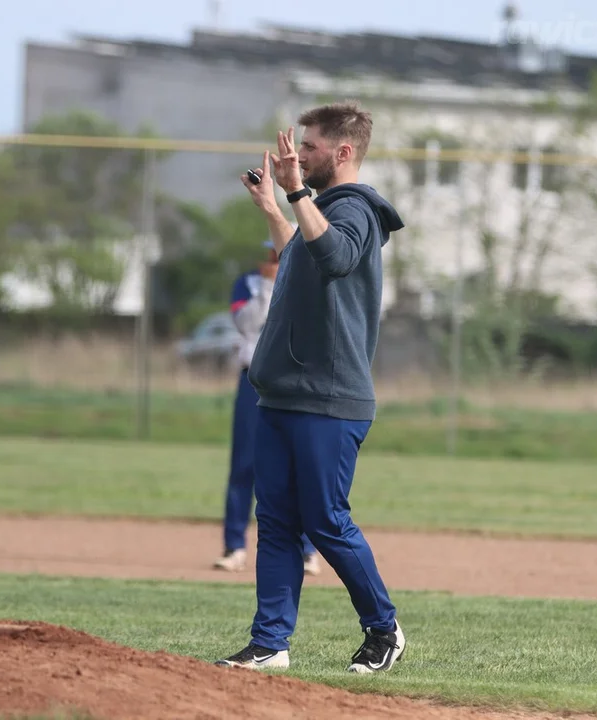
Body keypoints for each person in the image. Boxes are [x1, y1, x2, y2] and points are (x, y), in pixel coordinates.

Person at [215, 101, 407, 674]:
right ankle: (271, 642)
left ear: (344, 152)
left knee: (325, 520)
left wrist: (297, 193)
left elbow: (335, 254)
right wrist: (274, 205)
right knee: (274, 520)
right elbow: (300, 250)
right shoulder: (320, 209)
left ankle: (383, 629)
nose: (297, 155)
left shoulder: (358, 209)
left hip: (329, 398)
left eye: (312, 146)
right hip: (280, 393)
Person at [213, 238, 320, 577]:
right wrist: (268, 285)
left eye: (281, 249)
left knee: (298, 466)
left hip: (294, 381)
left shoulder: (309, 277)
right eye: (271, 250)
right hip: (253, 380)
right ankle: (234, 546)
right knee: (244, 463)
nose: (275, 256)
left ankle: (305, 550)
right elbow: (246, 325)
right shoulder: (248, 282)